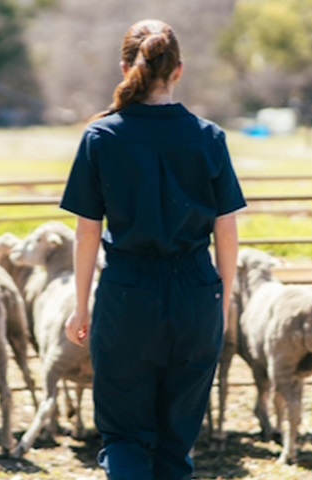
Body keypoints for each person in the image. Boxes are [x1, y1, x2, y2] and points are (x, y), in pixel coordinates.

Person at [59, 19, 247, 480]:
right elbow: (227, 231)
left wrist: (81, 306)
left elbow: (87, 233)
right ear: (178, 70)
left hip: (127, 296)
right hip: (196, 296)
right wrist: (223, 302)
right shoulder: (209, 138)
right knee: (174, 443)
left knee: (124, 437)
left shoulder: (102, 137)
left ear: (126, 68)